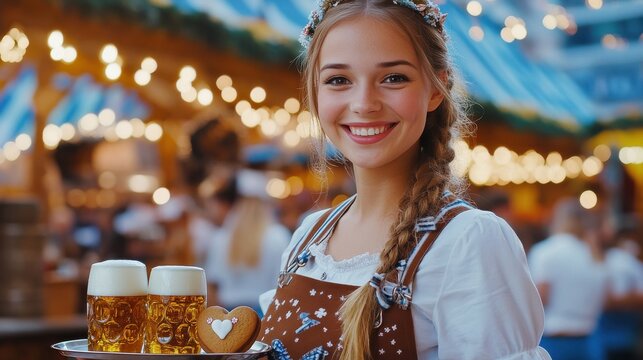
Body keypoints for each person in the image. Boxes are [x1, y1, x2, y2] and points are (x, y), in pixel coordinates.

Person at [258, 1, 549, 359]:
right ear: (315, 93)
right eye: (338, 80)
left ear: (435, 89)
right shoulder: (309, 236)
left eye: (394, 78)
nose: (364, 103)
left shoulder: (469, 242)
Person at [528, 198, 609, 360]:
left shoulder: (545, 251)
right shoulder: (594, 255)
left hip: (553, 344)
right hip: (589, 343)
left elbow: (539, 300)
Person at [204, 170, 291, 314]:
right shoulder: (278, 236)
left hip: (228, 316)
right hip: (266, 313)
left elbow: (213, 286)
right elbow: (284, 282)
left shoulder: (221, 237)